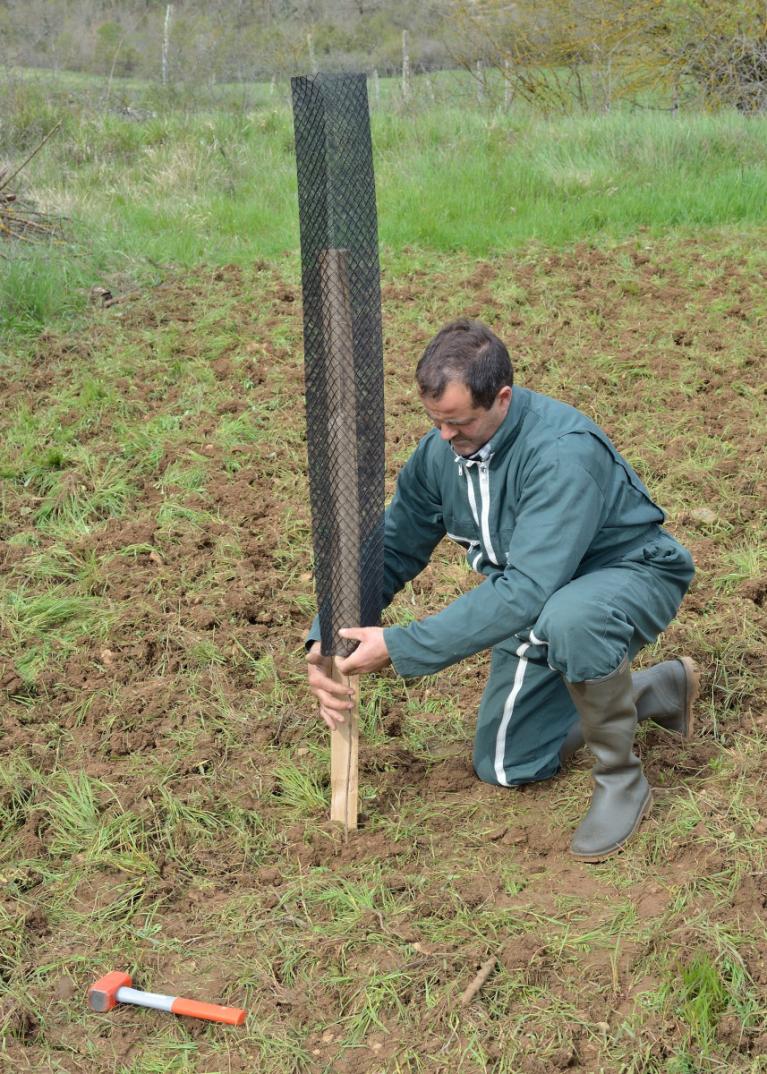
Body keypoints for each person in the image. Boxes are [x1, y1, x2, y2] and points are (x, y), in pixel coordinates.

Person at [306, 319, 698, 862]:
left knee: (570, 618)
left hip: (626, 576)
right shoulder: (440, 452)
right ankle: (654, 691)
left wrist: (400, 645)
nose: (445, 437)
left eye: (458, 423)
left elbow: (527, 591)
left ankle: (621, 778)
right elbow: (393, 547)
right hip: (537, 596)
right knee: (507, 765)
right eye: (435, 421)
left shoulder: (561, 453)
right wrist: (328, 633)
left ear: (503, 398)